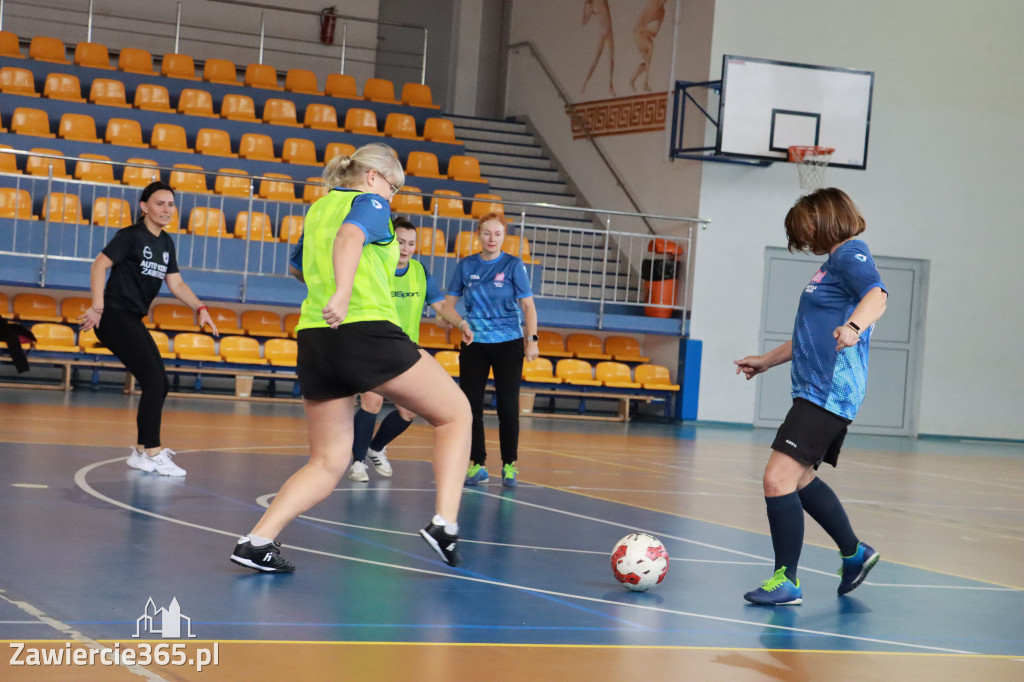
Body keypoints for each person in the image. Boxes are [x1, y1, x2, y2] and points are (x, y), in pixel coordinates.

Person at [230, 143, 472, 572]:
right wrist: (344, 292)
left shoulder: (319, 208)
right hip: (363, 330)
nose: (392, 197)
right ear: (375, 177)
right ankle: (444, 523)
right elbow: (351, 236)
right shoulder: (371, 202)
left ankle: (257, 540)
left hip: (315, 338)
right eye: (394, 187)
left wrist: (332, 286)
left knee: (328, 461)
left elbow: (298, 266)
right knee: (456, 414)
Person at [734, 188, 888, 605]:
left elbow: (878, 295)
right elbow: (811, 333)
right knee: (799, 479)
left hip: (829, 391)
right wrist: (767, 360)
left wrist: (853, 329)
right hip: (814, 389)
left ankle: (787, 581)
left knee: (776, 478)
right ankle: (855, 553)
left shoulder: (850, 254)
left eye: (805, 229)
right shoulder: (831, 265)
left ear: (825, 219)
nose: (803, 239)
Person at [80, 181, 218, 477]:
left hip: (131, 317)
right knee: (155, 382)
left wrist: (200, 308)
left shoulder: (166, 243)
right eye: (160, 203)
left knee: (161, 383)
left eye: (170, 204)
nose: (166, 209)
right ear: (144, 207)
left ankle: (143, 451)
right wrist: (98, 307)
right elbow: (98, 266)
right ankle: (153, 453)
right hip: (115, 315)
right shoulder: (130, 236)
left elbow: (176, 284)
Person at [347, 217, 472, 483]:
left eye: (411, 244)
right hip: (374, 344)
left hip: (406, 350)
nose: (405, 248)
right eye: (400, 242)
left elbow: (441, 307)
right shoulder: (376, 268)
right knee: (372, 401)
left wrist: (461, 323)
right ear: (391, 242)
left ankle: (376, 447)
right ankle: (357, 462)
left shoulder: (420, 272)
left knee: (408, 411)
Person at [444, 213, 539, 488]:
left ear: (504, 237)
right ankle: (478, 464)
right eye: (487, 233)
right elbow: (448, 306)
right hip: (474, 344)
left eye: (497, 234)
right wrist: (457, 322)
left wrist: (531, 340)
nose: (492, 239)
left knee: (508, 407)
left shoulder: (513, 265)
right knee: (471, 408)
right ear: (479, 234)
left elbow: (528, 307)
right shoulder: (466, 265)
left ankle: (510, 465)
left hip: (509, 344)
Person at [629, 0, 669, 92]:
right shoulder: (653, 3)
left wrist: (644, 30)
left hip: (643, 34)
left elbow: (655, 32)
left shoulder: (662, 13)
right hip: (638, 34)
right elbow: (639, 24)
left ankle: (633, 79)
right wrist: (642, 30)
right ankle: (645, 83)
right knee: (651, 47)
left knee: (647, 62)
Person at [581, 0, 616, 97]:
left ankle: (610, 85)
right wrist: (585, 6)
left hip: (608, 30)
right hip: (603, 31)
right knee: (595, 60)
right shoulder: (592, 6)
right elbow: (584, 21)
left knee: (611, 59)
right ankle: (585, 83)